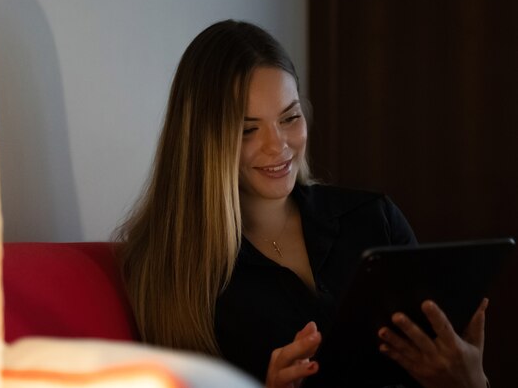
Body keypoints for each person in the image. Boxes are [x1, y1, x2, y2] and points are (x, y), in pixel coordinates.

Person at [114, 20, 489, 388]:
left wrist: (472, 382)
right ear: (202, 141)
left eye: (290, 117)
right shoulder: (174, 274)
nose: (278, 146)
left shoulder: (375, 219)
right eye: (248, 129)